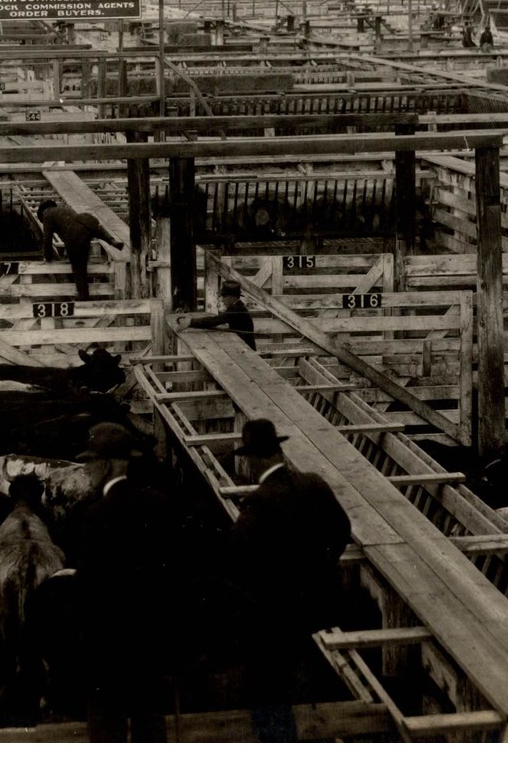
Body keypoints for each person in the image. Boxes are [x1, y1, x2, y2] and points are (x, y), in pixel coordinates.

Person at [229, 419, 351, 742]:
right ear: (279, 451)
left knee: (264, 687)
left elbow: (238, 562)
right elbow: (342, 531)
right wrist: (319, 567)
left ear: (253, 460)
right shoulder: (314, 484)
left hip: (281, 617)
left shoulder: (257, 505)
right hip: (325, 607)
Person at [63, 422, 178, 742]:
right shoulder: (159, 504)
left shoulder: (95, 515)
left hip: (107, 653)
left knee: (106, 733)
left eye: (90, 462)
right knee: (151, 730)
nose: (85, 470)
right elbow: (172, 575)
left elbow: (86, 592)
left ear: (109, 464)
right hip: (150, 647)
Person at [37, 200, 125, 300]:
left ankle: (84, 299)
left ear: (42, 211)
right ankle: (111, 240)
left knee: (79, 270)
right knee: (97, 230)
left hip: (73, 235)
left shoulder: (47, 215)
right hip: (85, 222)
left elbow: (47, 239)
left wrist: (48, 257)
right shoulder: (63, 209)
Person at [183, 279, 256, 350]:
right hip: (243, 347)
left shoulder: (236, 309)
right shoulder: (237, 306)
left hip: (248, 350)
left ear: (232, 297)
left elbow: (215, 320)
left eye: (225, 296)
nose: (222, 299)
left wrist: (190, 322)